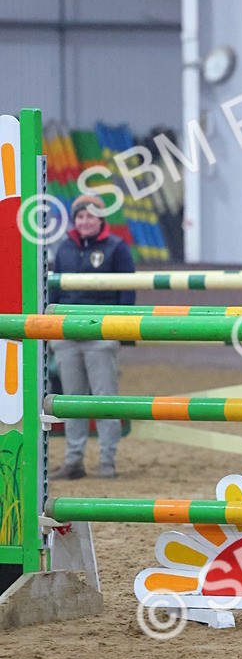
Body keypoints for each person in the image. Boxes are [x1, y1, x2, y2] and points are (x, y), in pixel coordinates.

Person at [49, 194, 136, 479]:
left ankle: (107, 462)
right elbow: (54, 292)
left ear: (101, 219)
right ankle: (73, 461)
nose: (84, 221)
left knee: (104, 399)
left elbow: (127, 293)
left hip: (102, 332)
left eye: (90, 216)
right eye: (80, 216)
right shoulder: (64, 248)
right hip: (67, 333)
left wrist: (121, 330)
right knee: (72, 400)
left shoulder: (117, 248)